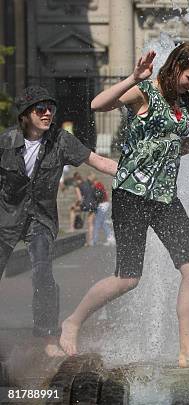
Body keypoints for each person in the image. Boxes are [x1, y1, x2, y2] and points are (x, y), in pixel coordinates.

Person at [59, 42, 189, 372]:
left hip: (165, 196)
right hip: (132, 193)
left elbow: (178, 147)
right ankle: (72, 322)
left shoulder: (182, 105)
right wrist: (133, 77)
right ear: (175, 68)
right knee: (127, 279)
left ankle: (188, 351)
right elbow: (98, 104)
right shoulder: (145, 92)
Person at [0, 85, 118, 356]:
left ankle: (48, 337)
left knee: (43, 274)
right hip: (5, 217)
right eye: (40, 109)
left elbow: (97, 160)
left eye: (50, 108)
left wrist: (132, 174)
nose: (47, 114)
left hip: (40, 219)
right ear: (26, 115)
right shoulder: (6, 142)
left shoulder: (61, 141)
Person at [88, 173, 115, 246]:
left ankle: (94, 241)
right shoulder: (99, 184)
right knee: (103, 223)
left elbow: (99, 196)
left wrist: (95, 202)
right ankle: (110, 238)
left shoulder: (97, 185)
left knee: (97, 223)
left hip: (102, 205)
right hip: (104, 204)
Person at [74, 172, 97, 246]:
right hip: (93, 205)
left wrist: (77, 205)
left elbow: (80, 199)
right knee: (90, 224)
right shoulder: (91, 185)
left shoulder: (79, 186)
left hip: (85, 205)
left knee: (73, 210)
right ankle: (90, 241)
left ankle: (72, 227)